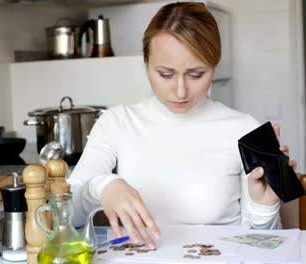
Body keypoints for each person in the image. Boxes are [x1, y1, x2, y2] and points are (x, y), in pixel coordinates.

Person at [67, 2, 297, 250]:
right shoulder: (115, 123)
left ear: (214, 64)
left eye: (196, 74)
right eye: (166, 74)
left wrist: (263, 209)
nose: (180, 91)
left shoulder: (248, 130)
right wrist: (101, 187)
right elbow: (65, 217)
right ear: (145, 62)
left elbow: (269, 247)